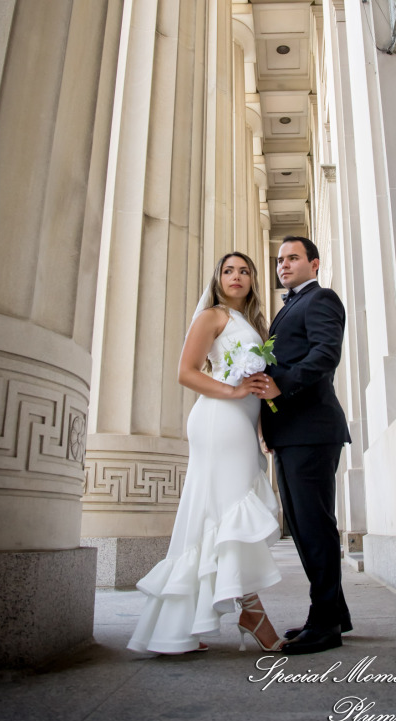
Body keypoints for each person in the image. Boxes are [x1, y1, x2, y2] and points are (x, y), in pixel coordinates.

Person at [127, 252, 283, 655]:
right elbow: (187, 371)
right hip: (218, 420)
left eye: (244, 271)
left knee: (212, 516)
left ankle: (181, 624)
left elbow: (261, 383)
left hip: (242, 424)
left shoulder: (255, 324)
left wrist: (262, 428)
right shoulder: (213, 316)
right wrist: (232, 391)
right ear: (217, 279)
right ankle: (252, 612)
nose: (237, 276)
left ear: (252, 281)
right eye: (228, 270)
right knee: (228, 512)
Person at [255, 236, 352, 655]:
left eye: (293, 257)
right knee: (306, 526)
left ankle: (325, 623)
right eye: (279, 259)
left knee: (314, 527)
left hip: (313, 430)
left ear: (314, 263)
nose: (284, 264)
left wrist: (281, 385)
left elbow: (326, 354)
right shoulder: (287, 308)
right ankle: (334, 615)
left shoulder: (321, 299)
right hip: (291, 433)